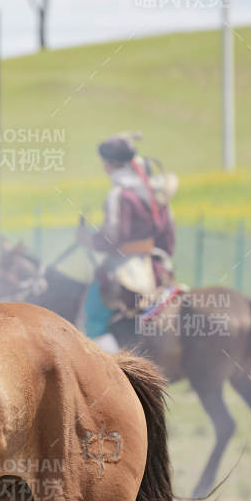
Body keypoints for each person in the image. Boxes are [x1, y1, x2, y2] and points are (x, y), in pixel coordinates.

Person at [81, 133, 175, 353]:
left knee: (91, 315)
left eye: (104, 162)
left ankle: (106, 364)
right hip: (157, 266)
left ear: (110, 163)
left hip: (125, 270)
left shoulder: (119, 194)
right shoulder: (154, 191)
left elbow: (112, 237)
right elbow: (169, 237)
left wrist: (88, 240)